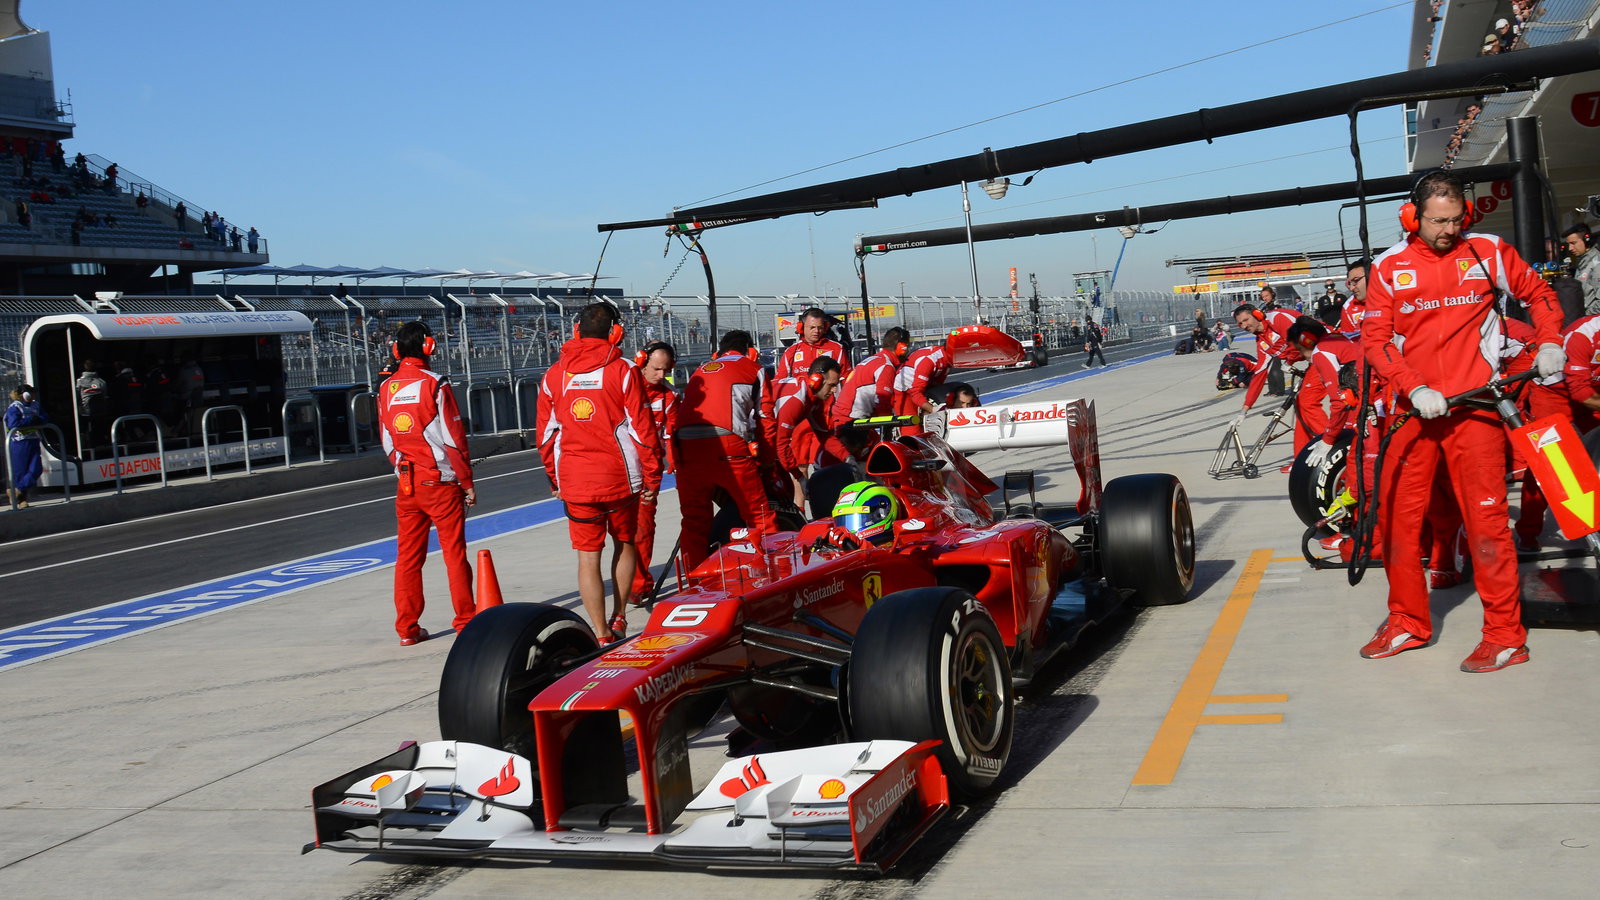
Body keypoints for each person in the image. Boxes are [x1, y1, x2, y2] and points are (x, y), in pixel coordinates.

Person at [1360, 170, 1565, 673]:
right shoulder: (1389, 268)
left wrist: (1550, 341)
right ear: (1412, 217)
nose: (1449, 230)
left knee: (1488, 524)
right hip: (1414, 413)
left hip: (1477, 409)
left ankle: (1505, 636)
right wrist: (1415, 387)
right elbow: (1375, 341)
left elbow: (1539, 295)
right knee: (1399, 524)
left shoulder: (1489, 251)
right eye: (1438, 221)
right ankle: (1407, 621)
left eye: (1457, 220)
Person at [537, 303, 662, 643]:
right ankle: (619, 616)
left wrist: (555, 478)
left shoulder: (553, 375)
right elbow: (642, 430)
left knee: (587, 559)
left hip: (576, 482)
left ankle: (601, 632)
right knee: (625, 543)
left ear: (576, 332)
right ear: (615, 333)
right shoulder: (623, 371)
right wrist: (653, 475)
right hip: (620, 479)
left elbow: (546, 436)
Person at [378, 321, 477, 646]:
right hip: (440, 481)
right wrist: (466, 481)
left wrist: (403, 469)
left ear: (396, 351)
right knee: (454, 553)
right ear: (429, 346)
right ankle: (466, 620)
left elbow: (388, 440)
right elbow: (452, 438)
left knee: (407, 557)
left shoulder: (385, 387)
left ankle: (407, 628)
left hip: (406, 481)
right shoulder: (435, 383)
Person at [677, 329, 776, 571]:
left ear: (717, 353)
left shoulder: (701, 369)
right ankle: (775, 570)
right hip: (727, 443)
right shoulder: (754, 368)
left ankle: (693, 580)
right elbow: (766, 419)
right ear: (751, 352)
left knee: (694, 522)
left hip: (686, 447)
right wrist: (767, 460)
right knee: (759, 514)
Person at [1228, 302, 1327, 464]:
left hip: (1326, 348)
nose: (1244, 325)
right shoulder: (1262, 343)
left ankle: (1332, 444)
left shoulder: (1278, 319)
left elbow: (1303, 339)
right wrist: (1244, 411)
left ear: (1258, 315)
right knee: (1300, 406)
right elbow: (1259, 375)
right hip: (1314, 358)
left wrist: (1289, 360)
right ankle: (1301, 460)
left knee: (1307, 402)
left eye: (1246, 320)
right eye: (1240, 323)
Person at [628, 340, 679, 606]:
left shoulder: (669, 396)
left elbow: (672, 433)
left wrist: (672, 457)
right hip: (618, 471)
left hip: (649, 473)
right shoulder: (624, 385)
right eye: (656, 369)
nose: (661, 375)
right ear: (641, 362)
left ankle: (638, 586)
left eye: (665, 370)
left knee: (643, 529)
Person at [771, 356, 849, 505]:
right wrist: (799, 477)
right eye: (831, 385)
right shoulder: (797, 400)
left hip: (762, 437)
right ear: (816, 380)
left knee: (784, 491)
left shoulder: (813, 398)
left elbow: (824, 435)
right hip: (748, 436)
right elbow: (781, 445)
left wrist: (847, 457)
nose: (834, 390)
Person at [830, 326, 910, 429]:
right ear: (901, 348)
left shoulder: (875, 359)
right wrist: (888, 427)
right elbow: (883, 401)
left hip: (845, 415)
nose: (907, 350)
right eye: (906, 346)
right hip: (852, 419)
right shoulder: (886, 366)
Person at [893, 339, 952, 435]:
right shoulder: (929, 360)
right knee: (913, 431)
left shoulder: (947, 361)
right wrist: (934, 410)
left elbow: (937, 387)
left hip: (922, 389)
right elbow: (916, 394)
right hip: (905, 392)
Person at [777, 307, 852, 380]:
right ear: (801, 327)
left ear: (825, 327)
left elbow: (846, 377)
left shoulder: (836, 348)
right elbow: (780, 381)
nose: (816, 331)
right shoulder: (791, 351)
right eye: (812, 327)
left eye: (820, 327)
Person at [6, 384, 46, 508]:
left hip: (33, 440)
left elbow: (45, 417)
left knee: (36, 469)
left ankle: (15, 491)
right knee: (21, 473)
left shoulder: (36, 405)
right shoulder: (14, 407)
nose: (33, 396)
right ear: (24, 394)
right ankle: (21, 500)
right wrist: (32, 420)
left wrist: (39, 419)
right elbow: (14, 423)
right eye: (31, 393)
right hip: (19, 442)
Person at [1563, 224, 1599, 314]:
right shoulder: (1582, 265)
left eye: (1573, 243)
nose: (1570, 248)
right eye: (1568, 244)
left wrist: (1584, 316)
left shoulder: (1596, 264)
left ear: (1587, 240)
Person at [75, 360, 108, 447]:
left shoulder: (79, 382)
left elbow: (76, 396)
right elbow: (104, 396)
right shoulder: (101, 381)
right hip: (100, 411)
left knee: (82, 424)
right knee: (97, 424)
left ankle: (83, 443)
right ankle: (99, 441)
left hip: (84, 412)